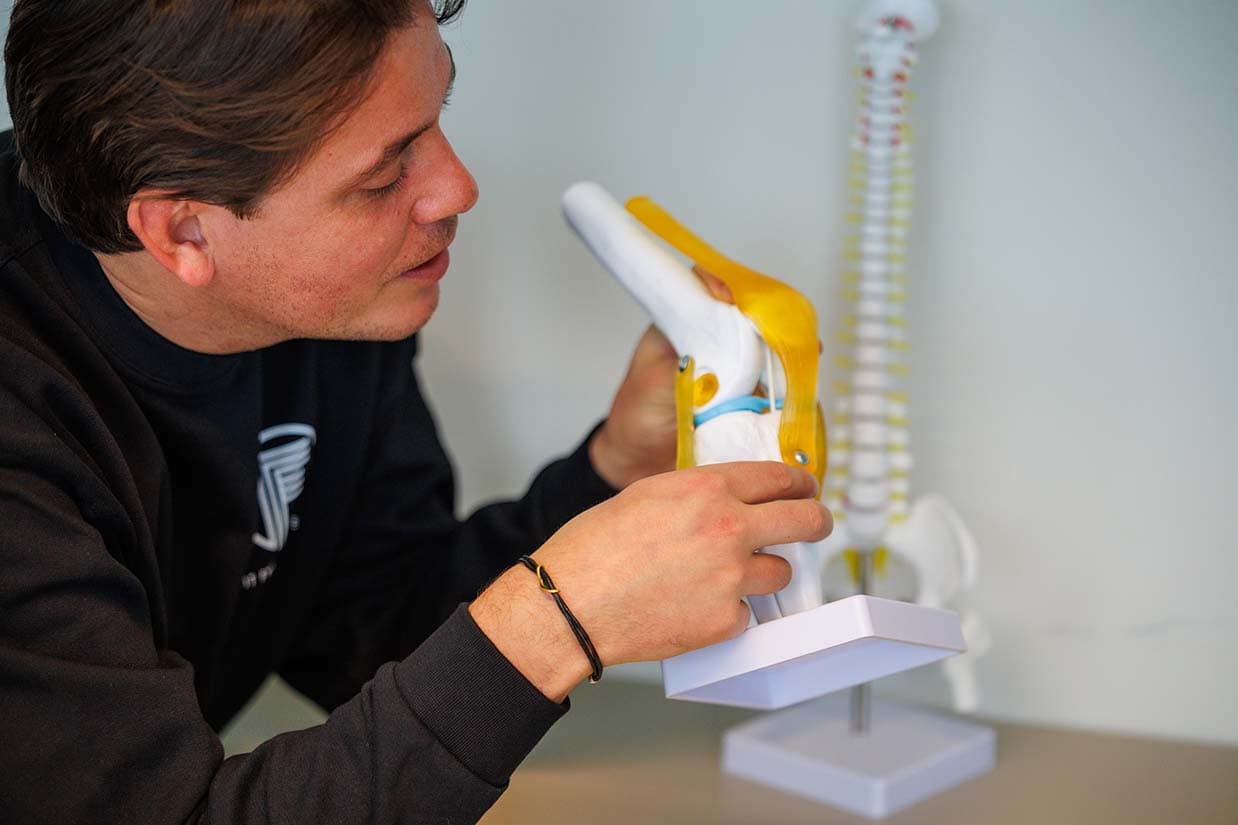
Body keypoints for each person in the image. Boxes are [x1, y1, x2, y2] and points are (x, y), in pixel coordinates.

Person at [0, 1, 832, 822]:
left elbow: (380, 629)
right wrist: (559, 621)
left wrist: (616, 465)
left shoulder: (335, 303)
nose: (455, 188)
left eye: (437, 118)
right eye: (383, 174)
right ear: (182, 232)